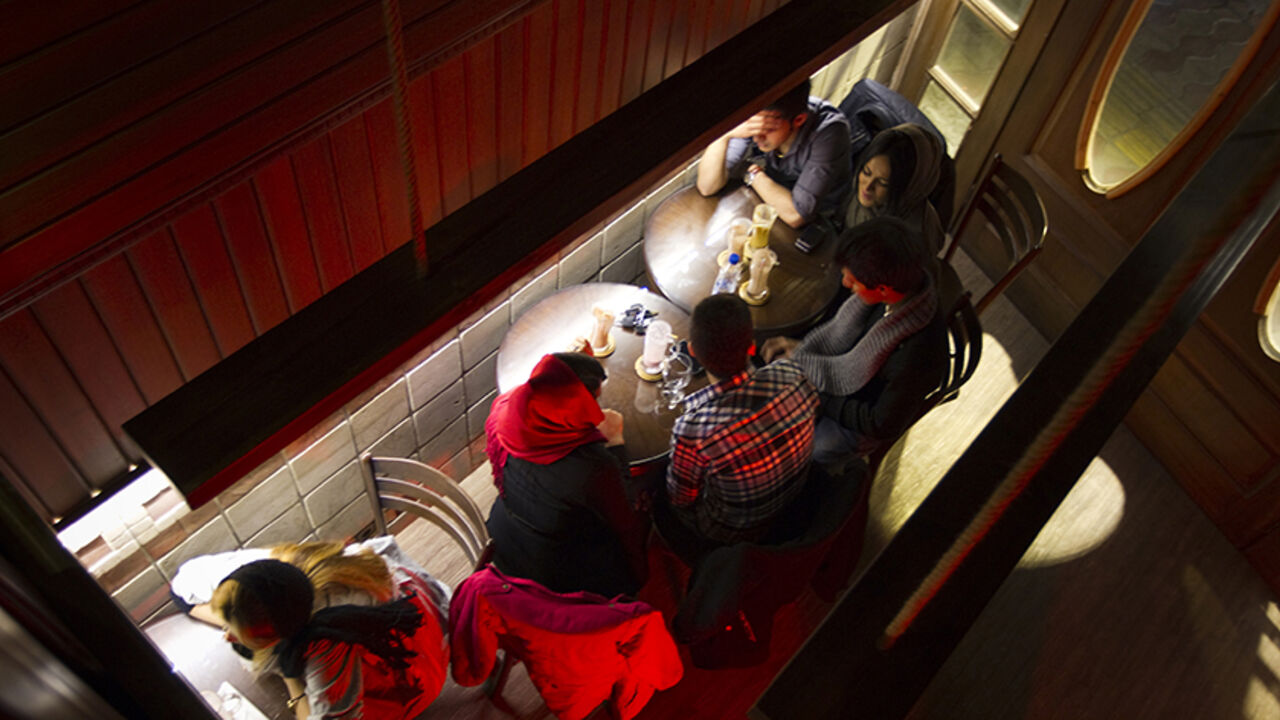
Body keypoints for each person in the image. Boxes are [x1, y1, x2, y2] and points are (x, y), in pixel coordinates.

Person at [171, 537, 450, 720]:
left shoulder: (327, 647)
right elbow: (181, 588)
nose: (227, 636)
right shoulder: (286, 565)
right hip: (409, 597)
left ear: (282, 635)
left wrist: (290, 678)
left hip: (410, 674)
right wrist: (226, 616)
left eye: (237, 631)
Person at [762, 217, 948, 467]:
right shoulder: (900, 282)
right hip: (844, 380)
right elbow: (846, 338)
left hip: (860, 416)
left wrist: (818, 390)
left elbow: (880, 423)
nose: (845, 284)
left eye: (854, 281)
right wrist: (801, 349)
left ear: (883, 290)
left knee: (805, 450)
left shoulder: (916, 356)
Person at [658, 294, 819, 562]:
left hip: (730, 534)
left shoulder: (694, 430)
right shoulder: (794, 375)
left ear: (693, 352)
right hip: (792, 501)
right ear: (752, 347)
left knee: (656, 487)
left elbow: (681, 499)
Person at [483, 352, 649, 598]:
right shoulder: (591, 466)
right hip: (551, 564)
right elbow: (625, 513)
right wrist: (616, 442)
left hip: (504, 527)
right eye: (591, 402)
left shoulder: (505, 409)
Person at [695, 78, 852, 228]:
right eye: (752, 127)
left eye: (768, 129)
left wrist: (750, 172)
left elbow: (796, 215)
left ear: (798, 120)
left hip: (822, 219)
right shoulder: (759, 117)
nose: (757, 136)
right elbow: (707, 187)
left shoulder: (830, 134)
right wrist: (724, 135)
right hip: (771, 200)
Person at [844, 123, 947, 255]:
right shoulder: (864, 194)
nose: (868, 186)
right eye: (866, 172)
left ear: (906, 188)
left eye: (883, 183)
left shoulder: (911, 239)